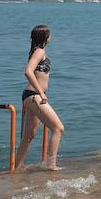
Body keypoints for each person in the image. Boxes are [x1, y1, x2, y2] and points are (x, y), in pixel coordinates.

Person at [15, 24, 64, 171]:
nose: (51, 37)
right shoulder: (39, 51)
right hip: (34, 95)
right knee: (58, 128)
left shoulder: (37, 51)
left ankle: (17, 167)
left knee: (29, 135)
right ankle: (51, 164)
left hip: (32, 95)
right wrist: (41, 93)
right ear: (45, 37)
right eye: (49, 34)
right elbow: (28, 72)